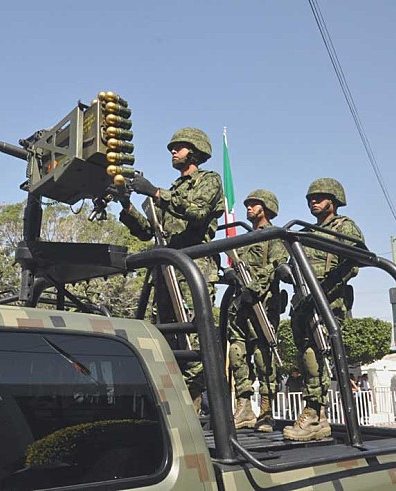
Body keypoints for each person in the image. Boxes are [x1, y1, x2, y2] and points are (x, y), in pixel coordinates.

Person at [118, 127, 224, 412]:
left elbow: (197, 213)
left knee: (193, 336)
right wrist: (126, 204)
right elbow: (149, 232)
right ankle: (172, 401)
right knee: (165, 337)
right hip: (166, 271)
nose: (173, 152)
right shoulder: (173, 190)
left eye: (179, 147)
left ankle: (191, 402)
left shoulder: (209, 180)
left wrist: (154, 191)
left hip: (193, 268)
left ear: (195, 151)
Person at [284, 178, 365, 442]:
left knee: (314, 357)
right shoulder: (306, 233)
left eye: (319, 197)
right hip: (304, 304)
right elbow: (290, 264)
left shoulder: (344, 227)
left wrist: (325, 286)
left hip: (327, 303)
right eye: (310, 198)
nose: (313, 202)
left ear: (333, 200)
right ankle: (319, 418)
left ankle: (314, 412)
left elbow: (356, 258)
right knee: (307, 356)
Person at [228, 189, 288, 432]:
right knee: (237, 353)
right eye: (248, 204)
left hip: (263, 304)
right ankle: (243, 407)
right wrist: (231, 276)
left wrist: (252, 288)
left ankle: (266, 410)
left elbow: (276, 265)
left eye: (254, 204)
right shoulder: (244, 240)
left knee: (264, 359)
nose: (249, 208)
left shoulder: (274, 236)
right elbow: (235, 265)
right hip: (240, 306)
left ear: (266, 207)